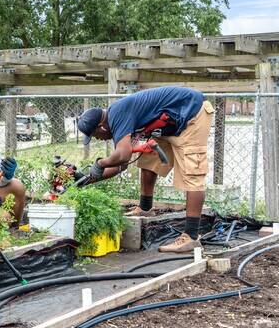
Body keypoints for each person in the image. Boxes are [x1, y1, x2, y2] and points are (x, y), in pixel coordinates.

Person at [77, 86, 215, 253]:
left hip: (191, 114)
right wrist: (84, 179)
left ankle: (191, 237)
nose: (98, 138)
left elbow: (122, 155)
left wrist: (100, 164)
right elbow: (122, 164)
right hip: (170, 123)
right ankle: (145, 208)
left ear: (102, 126)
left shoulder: (118, 115)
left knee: (193, 173)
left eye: (95, 135)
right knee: (149, 160)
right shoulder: (118, 119)